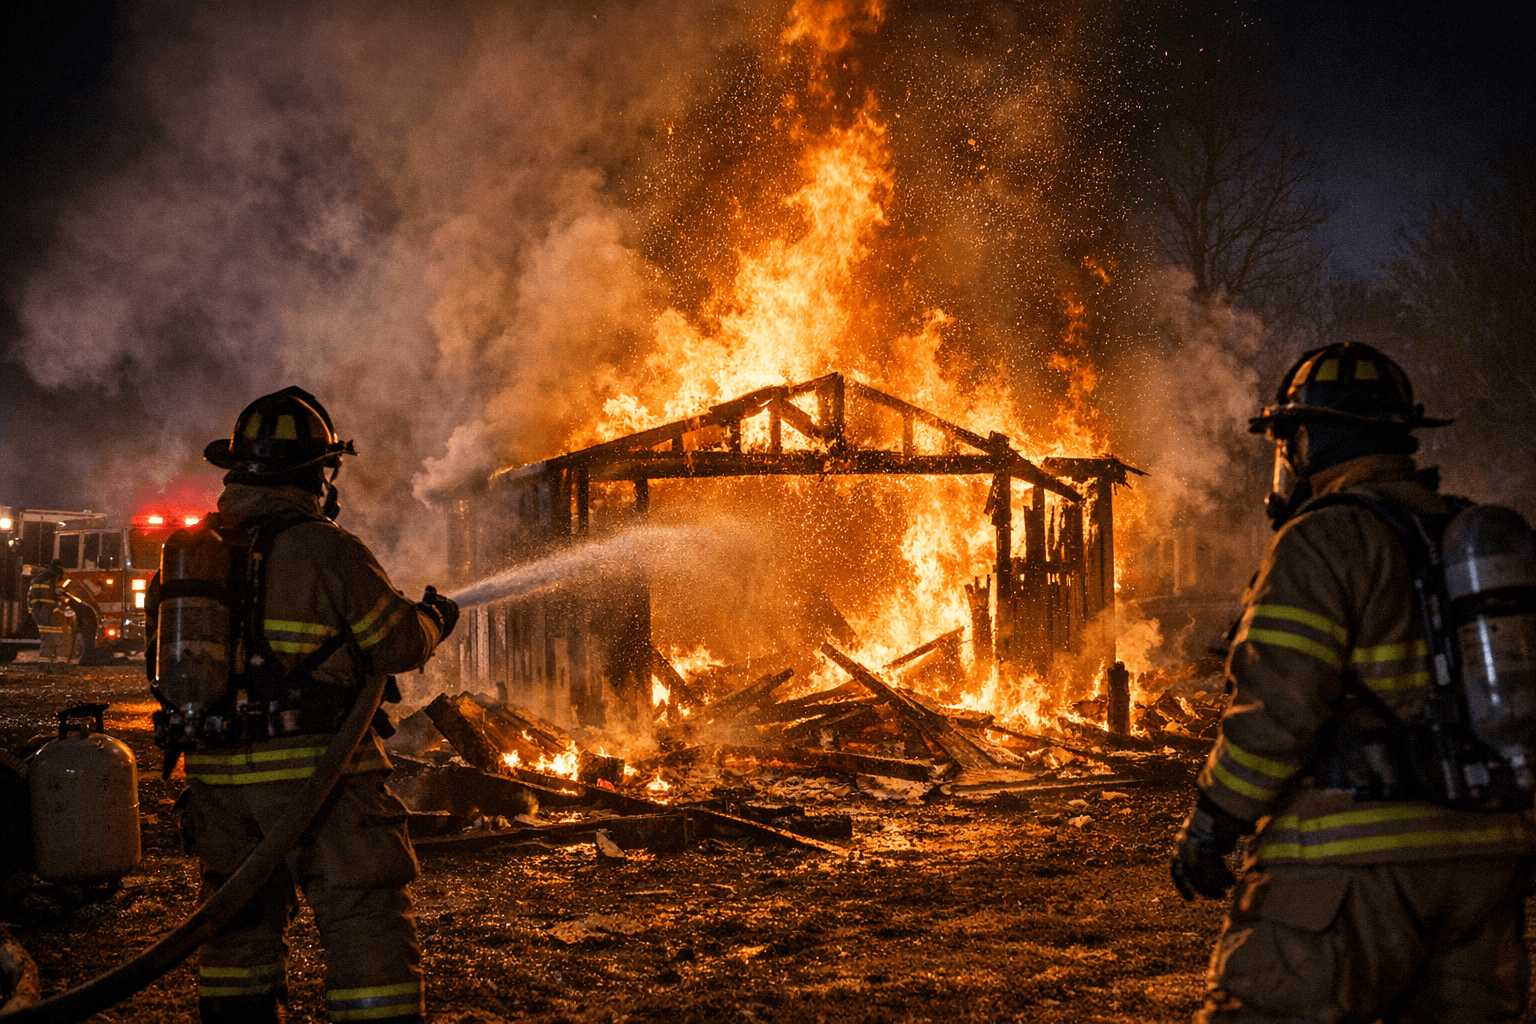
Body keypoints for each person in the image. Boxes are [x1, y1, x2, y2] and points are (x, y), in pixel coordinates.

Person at [1171, 343, 1536, 1023]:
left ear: (1306, 440)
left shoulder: (1324, 540)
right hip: (1489, 862)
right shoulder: (1467, 539)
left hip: (1351, 865)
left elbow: (1277, 710)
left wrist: (1214, 821)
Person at [157, 386, 459, 1024]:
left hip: (214, 777)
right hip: (314, 776)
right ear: (316, 473)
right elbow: (394, 644)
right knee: (363, 911)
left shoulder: (189, 557)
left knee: (237, 919)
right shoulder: (326, 548)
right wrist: (434, 618)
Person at [27, 560, 65, 660]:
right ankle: (50, 661)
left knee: (46, 636)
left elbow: (30, 597)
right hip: (49, 611)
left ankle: (46, 661)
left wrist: (32, 611)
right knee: (53, 637)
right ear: (60, 567)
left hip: (37, 611)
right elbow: (59, 593)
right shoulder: (56, 576)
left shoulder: (38, 578)